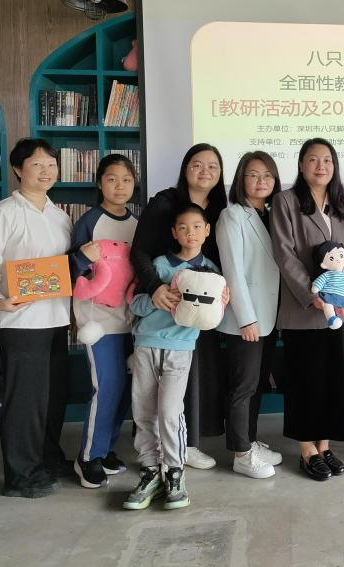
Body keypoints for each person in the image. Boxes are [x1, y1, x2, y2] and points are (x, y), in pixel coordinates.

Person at [0, 138, 72, 498]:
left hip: (56, 318)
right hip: (20, 321)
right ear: (17, 169)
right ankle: (21, 475)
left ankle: (47, 458)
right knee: (25, 400)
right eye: (37, 164)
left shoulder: (60, 217)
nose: (46, 171)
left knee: (52, 397)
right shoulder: (3, 213)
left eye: (51, 164)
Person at [123, 204, 228, 511]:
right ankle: (150, 471)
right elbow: (135, 304)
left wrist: (223, 302)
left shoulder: (212, 272)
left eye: (196, 227)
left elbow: (211, 319)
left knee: (170, 412)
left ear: (207, 231)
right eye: (183, 227)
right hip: (146, 344)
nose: (190, 233)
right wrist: (156, 299)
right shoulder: (159, 264)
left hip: (181, 349)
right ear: (173, 232)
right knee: (143, 411)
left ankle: (175, 472)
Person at [130, 143, 227, 469]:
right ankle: (154, 457)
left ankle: (185, 446)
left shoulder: (219, 208)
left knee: (189, 384)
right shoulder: (165, 202)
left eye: (213, 166)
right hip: (158, 309)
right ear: (185, 168)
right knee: (147, 400)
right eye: (197, 164)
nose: (205, 171)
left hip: (196, 312)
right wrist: (155, 288)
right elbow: (139, 252)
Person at [271, 138, 344, 482]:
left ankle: (325, 444)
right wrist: (311, 294)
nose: (321, 166)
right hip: (304, 306)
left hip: (339, 306)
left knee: (332, 379)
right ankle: (307, 448)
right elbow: (284, 253)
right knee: (305, 379)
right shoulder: (286, 201)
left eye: (327, 160)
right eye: (313, 159)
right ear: (301, 165)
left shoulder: (342, 205)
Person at [68, 153, 139, 488]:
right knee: (106, 387)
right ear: (100, 183)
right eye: (112, 179)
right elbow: (70, 270)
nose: (119, 186)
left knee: (123, 390)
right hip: (98, 322)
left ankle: (106, 449)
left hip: (130, 321)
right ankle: (88, 458)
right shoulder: (89, 221)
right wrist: (83, 257)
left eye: (126, 179)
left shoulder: (137, 223)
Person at [216, 151, 283, 479]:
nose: (261, 181)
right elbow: (233, 270)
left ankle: (250, 441)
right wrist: (246, 318)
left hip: (269, 316)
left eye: (267, 175)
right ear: (241, 178)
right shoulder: (232, 215)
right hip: (248, 319)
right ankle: (241, 454)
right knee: (243, 386)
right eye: (253, 175)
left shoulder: (272, 215)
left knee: (256, 385)